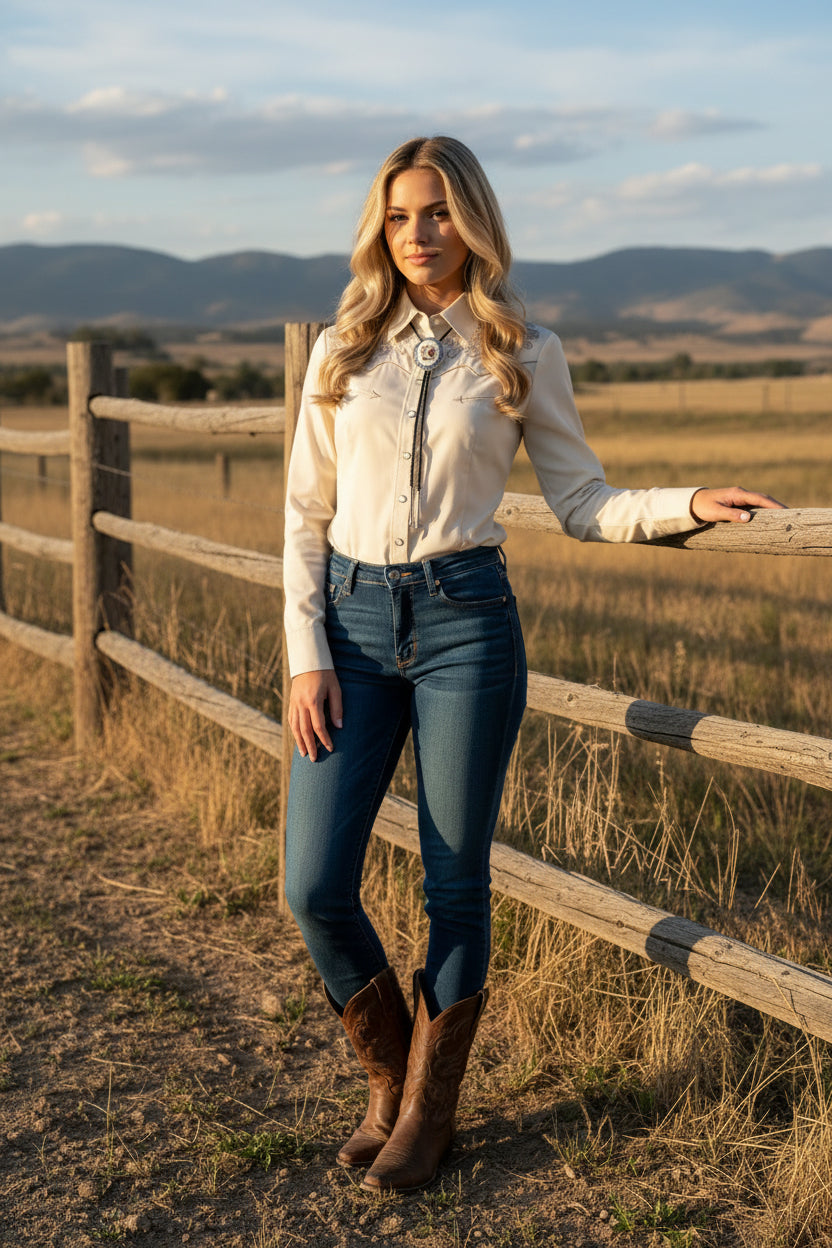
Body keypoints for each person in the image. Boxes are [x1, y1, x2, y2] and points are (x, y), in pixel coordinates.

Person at [282, 135, 784, 1193]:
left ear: (474, 221)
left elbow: (581, 501)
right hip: (353, 627)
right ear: (381, 226)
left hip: (467, 623)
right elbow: (303, 517)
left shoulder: (521, 349)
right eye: (403, 214)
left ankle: (426, 1110)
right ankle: (384, 1073)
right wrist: (304, 654)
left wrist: (683, 504)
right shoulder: (340, 349)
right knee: (312, 882)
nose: (420, 234)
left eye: (440, 212)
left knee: (453, 881)